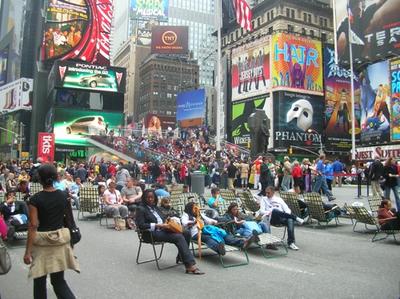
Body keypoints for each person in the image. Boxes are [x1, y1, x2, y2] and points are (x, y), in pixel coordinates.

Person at [23, 163, 79, 299]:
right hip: (59, 242)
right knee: (59, 281)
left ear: (40, 179)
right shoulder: (63, 196)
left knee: (39, 281)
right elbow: (69, 220)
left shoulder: (35, 199)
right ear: (55, 178)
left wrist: (28, 252)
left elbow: (33, 225)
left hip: (42, 244)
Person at [135, 189, 204, 274]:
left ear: (155, 198)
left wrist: (169, 221)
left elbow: (163, 218)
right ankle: (190, 265)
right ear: (144, 198)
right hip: (150, 234)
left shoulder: (155, 207)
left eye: (152, 197)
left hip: (163, 229)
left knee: (186, 232)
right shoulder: (141, 209)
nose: (150, 199)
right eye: (147, 197)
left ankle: (181, 257)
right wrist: (158, 225)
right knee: (178, 237)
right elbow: (141, 225)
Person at [181, 202, 255, 256]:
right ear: (190, 209)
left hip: (205, 229)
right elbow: (184, 223)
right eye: (194, 208)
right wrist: (194, 221)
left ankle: (243, 243)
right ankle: (218, 248)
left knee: (223, 234)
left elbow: (208, 219)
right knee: (209, 238)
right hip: (196, 233)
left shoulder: (199, 214)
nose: (196, 209)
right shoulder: (186, 215)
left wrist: (215, 221)